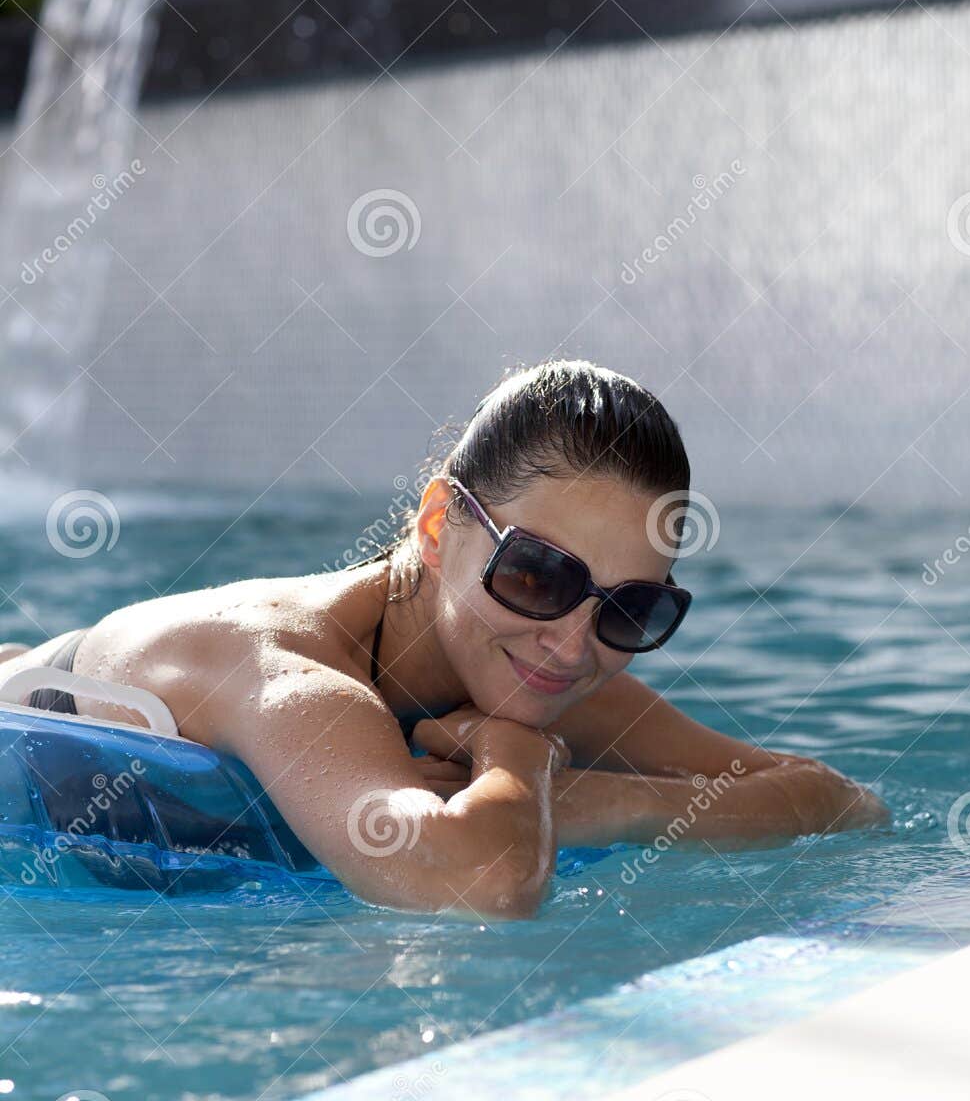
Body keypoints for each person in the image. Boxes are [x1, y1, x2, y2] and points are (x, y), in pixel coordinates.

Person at [0, 360, 887, 919]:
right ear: (436, 527)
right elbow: (477, 882)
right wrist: (516, 765)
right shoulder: (288, 671)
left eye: (631, 611)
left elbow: (841, 802)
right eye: (539, 574)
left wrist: (600, 801)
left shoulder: (542, 663)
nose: (574, 646)